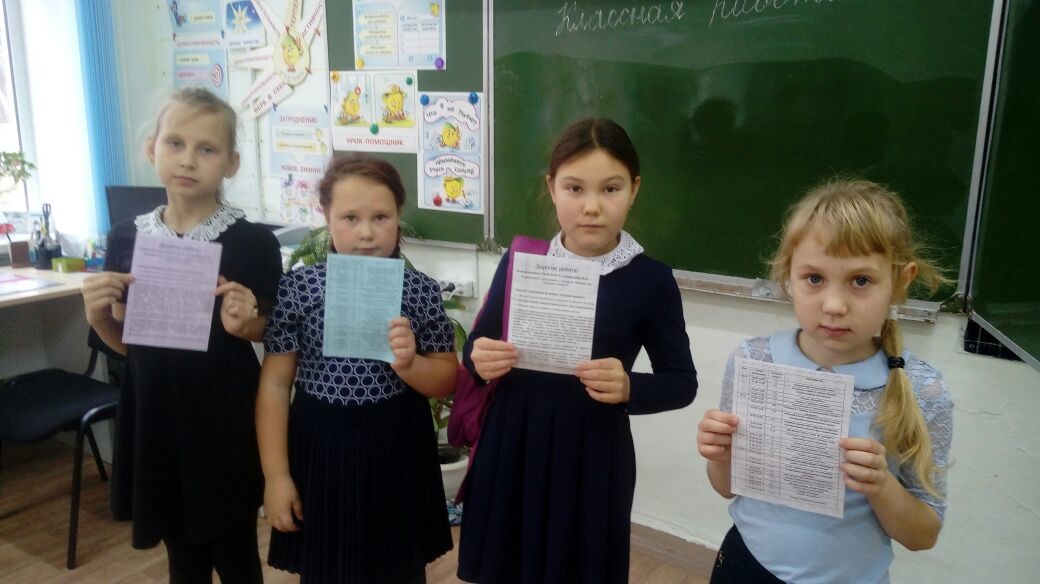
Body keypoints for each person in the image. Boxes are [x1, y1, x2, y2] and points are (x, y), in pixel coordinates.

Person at [457, 118, 698, 583]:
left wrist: (629, 387)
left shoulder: (651, 281)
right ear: (552, 188)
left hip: (591, 454)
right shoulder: (521, 260)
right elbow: (476, 347)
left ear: (634, 189)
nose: (591, 206)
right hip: (513, 443)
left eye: (610, 189)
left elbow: (681, 382)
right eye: (574, 188)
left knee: (578, 568)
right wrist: (480, 358)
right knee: (507, 565)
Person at [696, 179, 953, 584]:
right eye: (814, 278)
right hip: (747, 566)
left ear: (901, 282)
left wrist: (881, 485)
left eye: (861, 280)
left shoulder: (922, 390)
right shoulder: (753, 360)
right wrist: (720, 454)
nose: (834, 306)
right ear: (789, 276)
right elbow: (726, 487)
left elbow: (923, 535)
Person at [81, 87, 282, 583]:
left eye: (207, 149)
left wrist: (248, 324)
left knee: (236, 554)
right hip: (158, 418)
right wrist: (99, 320)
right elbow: (132, 342)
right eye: (175, 143)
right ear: (152, 148)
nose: (188, 159)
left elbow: (275, 335)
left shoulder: (253, 242)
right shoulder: (126, 236)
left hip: (225, 420)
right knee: (183, 560)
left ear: (231, 163)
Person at [257, 153, 456, 583]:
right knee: (327, 568)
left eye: (381, 217)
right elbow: (275, 383)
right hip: (322, 449)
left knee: (398, 569)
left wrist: (409, 364)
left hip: (397, 449)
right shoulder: (300, 287)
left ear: (398, 216)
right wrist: (276, 476)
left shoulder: (419, 291)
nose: (366, 233)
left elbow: (446, 377)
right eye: (350, 218)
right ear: (326, 216)